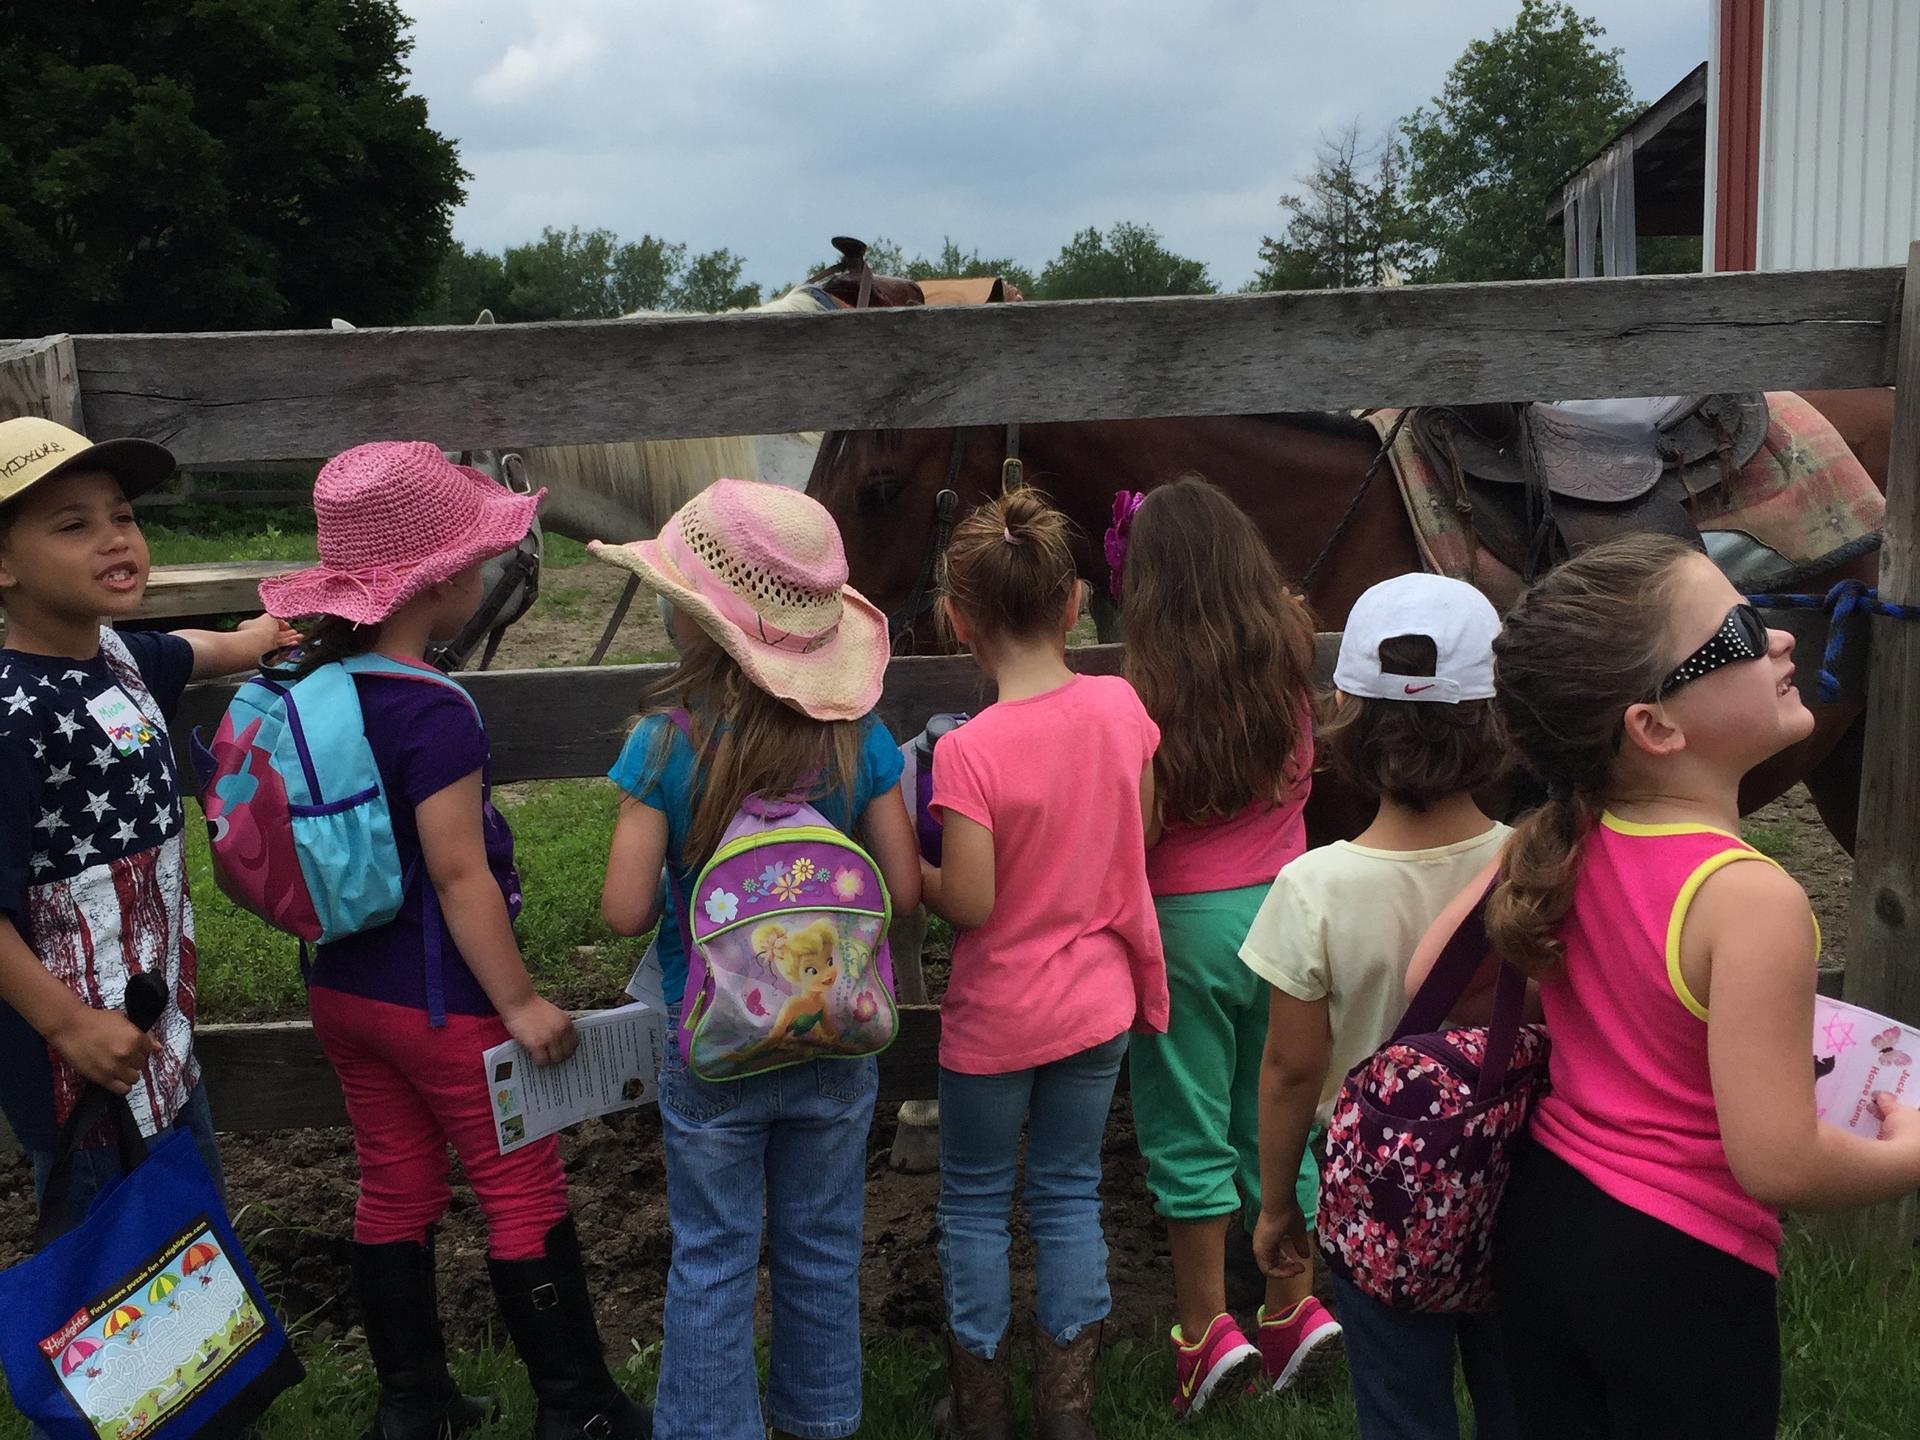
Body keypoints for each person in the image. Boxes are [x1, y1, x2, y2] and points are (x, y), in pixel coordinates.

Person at [1474, 534, 1920, 1438]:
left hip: (1545, 1221)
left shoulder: (1562, 841)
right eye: (1745, 630)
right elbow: (1779, 1162)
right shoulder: (1749, 897)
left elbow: (1427, 980)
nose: (1785, 640)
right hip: (1680, 1267)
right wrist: (1911, 1153)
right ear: (1656, 726)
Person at [260, 442, 649, 1440]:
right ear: (440, 580)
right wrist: (519, 1002)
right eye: (476, 556)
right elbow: (457, 871)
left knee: (395, 1180)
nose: (485, 572)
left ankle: (412, 1400)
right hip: (445, 1005)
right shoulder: (434, 709)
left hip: (344, 992)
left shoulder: (310, 692)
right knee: (521, 1186)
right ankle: (578, 1407)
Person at [592, 480, 919, 1440]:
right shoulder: (859, 738)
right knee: (823, 1248)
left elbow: (620, 913)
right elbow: (898, 888)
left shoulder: (668, 739)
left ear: (692, 620)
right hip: (837, 1037)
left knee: (714, 1255)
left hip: (714, 1046)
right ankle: (821, 1422)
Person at [0, 416, 294, 1237]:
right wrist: (69, 1026)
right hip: (81, 1071)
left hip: (158, 1036)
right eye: (72, 524)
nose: (113, 538)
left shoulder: (119, 658)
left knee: (191, 1241)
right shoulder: (11, 718)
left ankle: (214, 1366)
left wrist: (254, 640)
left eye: (121, 514)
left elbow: (185, 651)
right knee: (116, 1274)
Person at [1241, 573, 1518, 1440]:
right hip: (1519, 1185)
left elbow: (1290, 1071)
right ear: (1492, 718)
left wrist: (1280, 1202)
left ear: (1345, 720)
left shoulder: (1311, 888)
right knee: (1521, 1402)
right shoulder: (1536, 867)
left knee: (1400, 1412)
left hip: (1378, 1207)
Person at [919, 488, 1168, 1440]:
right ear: (1072, 606)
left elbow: (973, 904)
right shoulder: (1120, 706)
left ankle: (980, 1411)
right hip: (1098, 1006)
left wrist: (918, 873)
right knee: (1069, 1192)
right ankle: (1069, 1415)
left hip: (997, 1024)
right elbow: (1140, 834)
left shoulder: (969, 753)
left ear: (957, 621)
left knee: (977, 1202)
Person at [1111, 477, 1335, 1415]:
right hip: (1287, 918)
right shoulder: (1285, 656)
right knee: (1277, 1118)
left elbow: (1139, 827)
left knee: (1187, 1132)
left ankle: (1206, 1335)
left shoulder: (1141, 691)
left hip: (1187, 934)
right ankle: (1297, 1308)